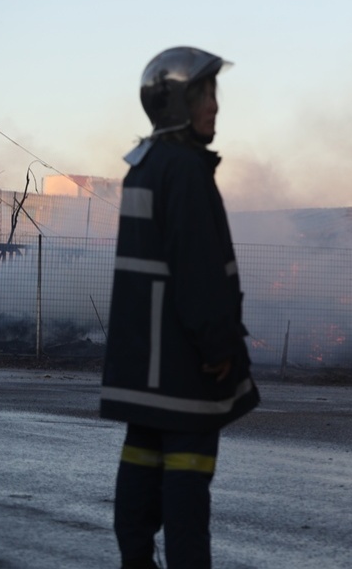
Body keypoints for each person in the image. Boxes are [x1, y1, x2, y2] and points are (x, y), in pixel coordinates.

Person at [100, 46, 260, 569]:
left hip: (144, 365)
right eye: (205, 94)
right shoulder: (185, 170)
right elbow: (199, 271)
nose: (215, 106)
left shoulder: (144, 166)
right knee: (188, 489)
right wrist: (220, 346)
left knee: (141, 465)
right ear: (175, 102)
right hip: (183, 366)